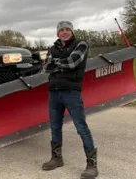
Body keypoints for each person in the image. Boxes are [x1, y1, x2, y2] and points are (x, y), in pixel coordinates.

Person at [41, 21, 98, 179]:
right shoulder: (52, 48)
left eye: (67, 29)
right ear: (57, 33)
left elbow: (73, 62)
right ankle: (57, 158)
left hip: (71, 92)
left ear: (72, 32)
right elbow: (45, 67)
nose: (64, 32)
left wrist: (56, 64)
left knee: (81, 128)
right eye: (61, 30)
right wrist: (58, 64)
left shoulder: (81, 44)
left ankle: (91, 164)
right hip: (54, 92)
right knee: (55, 127)